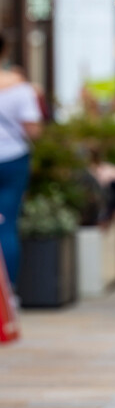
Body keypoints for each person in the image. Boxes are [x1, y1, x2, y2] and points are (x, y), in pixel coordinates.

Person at [0, 33, 43, 287]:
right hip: (13, 159)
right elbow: (33, 130)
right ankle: (7, 296)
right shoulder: (21, 88)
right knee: (6, 225)